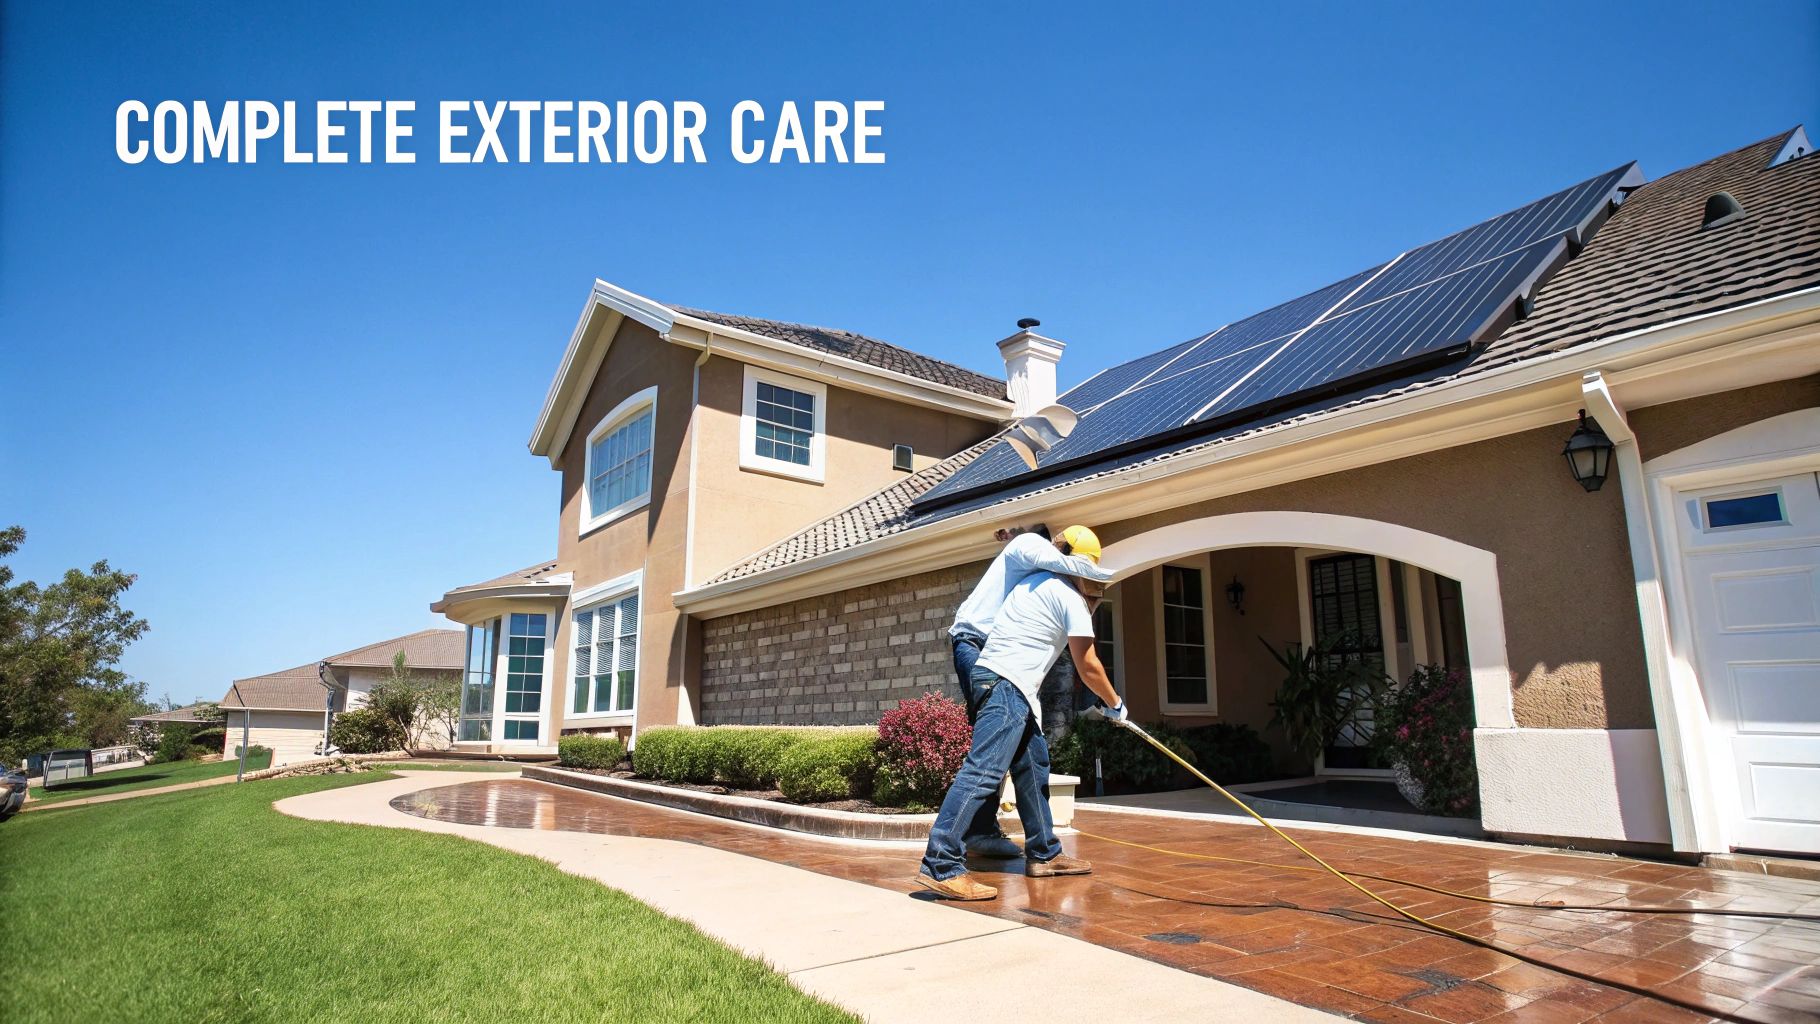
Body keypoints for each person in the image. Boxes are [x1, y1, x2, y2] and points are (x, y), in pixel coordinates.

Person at [917, 526, 1126, 901]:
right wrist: (1116, 704)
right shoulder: (1062, 588)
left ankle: (1045, 852)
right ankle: (941, 863)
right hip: (1004, 681)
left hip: (1007, 682)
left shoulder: (1033, 583)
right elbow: (1088, 664)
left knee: (1033, 765)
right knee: (984, 769)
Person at [947, 524, 1112, 858]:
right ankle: (960, 845)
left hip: (1003, 656)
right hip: (977, 645)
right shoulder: (1031, 545)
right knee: (991, 754)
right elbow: (1055, 558)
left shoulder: (1035, 576)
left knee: (1029, 754)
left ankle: (1043, 849)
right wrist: (1088, 579)